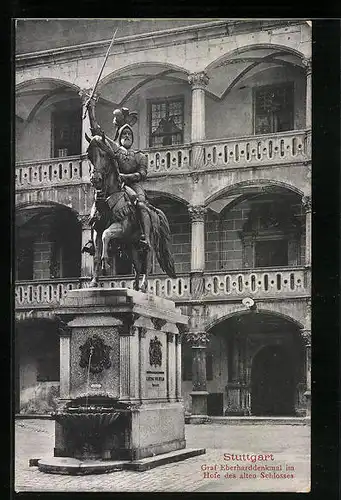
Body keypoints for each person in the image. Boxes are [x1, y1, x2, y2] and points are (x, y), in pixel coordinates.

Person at [86, 99, 151, 250]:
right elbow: (97, 132)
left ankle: (145, 238)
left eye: (129, 134)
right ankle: (92, 242)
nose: (127, 136)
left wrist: (126, 177)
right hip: (117, 185)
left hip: (133, 185)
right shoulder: (115, 149)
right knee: (97, 207)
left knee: (141, 205)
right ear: (120, 136)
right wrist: (91, 111)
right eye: (124, 133)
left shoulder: (140, 155)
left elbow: (142, 174)